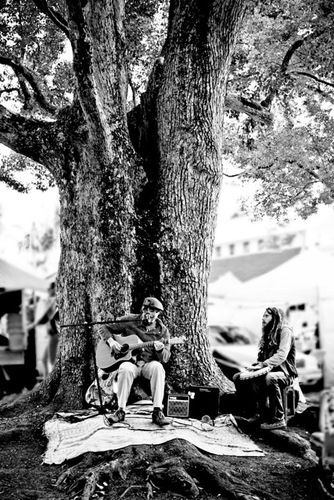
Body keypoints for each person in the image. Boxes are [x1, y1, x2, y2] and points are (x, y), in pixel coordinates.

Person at [97, 297, 171, 427]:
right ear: (142, 309)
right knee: (125, 367)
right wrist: (112, 341)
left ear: (158, 313)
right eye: (146, 309)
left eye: (153, 311)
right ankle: (120, 410)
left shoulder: (162, 331)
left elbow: (165, 358)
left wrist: (159, 350)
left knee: (158, 367)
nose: (149, 313)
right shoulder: (131, 320)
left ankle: (157, 411)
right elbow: (103, 328)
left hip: (148, 365)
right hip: (132, 364)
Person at [234, 307, 298, 430]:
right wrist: (255, 366)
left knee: (270, 378)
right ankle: (255, 413)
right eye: (263, 316)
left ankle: (278, 418)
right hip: (269, 369)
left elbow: (282, 355)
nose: (263, 318)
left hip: (285, 373)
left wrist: (263, 364)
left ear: (275, 317)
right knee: (238, 377)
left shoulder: (285, 331)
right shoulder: (267, 333)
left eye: (267, 316)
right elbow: (261, 358)